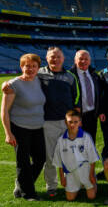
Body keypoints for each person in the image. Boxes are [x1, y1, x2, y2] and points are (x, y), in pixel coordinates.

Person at [1, 53, 46, 201]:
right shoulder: (13, 85)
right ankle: (28, 194)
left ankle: (21, 183)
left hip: (38, 127)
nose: (31, 69)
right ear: (21, 66)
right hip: (19, 128)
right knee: (23, 162)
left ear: (38, 68)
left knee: (40, 158)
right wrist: (8, 133)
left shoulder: (39, 80)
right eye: (27, 66)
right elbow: (4, 111)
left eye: (34, 66)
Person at [38, 46, 80, 197]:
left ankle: (72, 182)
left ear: (63, 59)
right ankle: (51, 186)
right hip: (47, 122)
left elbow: (76, 98)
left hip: (67, 123)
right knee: (49, 157)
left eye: (58, 57)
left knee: (70, 154)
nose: (55, 59)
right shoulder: (39, 74)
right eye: (52, 56)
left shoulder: (70, 77)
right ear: (46, 58)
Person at [52, 110, 99, 201]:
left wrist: (91, 175)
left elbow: (92, 159)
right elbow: (59, 161)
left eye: (75, 122)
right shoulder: (61, 140)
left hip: (85, 170)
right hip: (71, 173)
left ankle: (92, 183)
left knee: (91, 196)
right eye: (70, 122)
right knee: (70, 198)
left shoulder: (86, 137)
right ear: (66, 122)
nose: (72, 125)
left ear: (80, 123)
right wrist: (62, 177)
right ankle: (78, 185)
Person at [70, 50, 101, 142]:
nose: (83, 61)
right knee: (77, 143)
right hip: (78, 115)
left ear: (90, 61)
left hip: (92, 115)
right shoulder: (70, 76)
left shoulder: (94, 75)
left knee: (91, 142)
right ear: (75, 60)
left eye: (86, 59)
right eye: (80, 59)